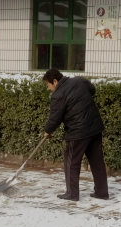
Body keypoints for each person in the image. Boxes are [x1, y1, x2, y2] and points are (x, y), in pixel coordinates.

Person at [43, 68, 109, 201]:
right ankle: (102, 193)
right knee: (97, 162)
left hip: (78, 132)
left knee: (71, 162)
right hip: (95, 127)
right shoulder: (79, 81)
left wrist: (48, 130)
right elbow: (93, 90)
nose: (49, 88)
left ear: (55, 81)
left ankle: (72, 194)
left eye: (48, 85)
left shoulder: (58, 95)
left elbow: (55, 118)